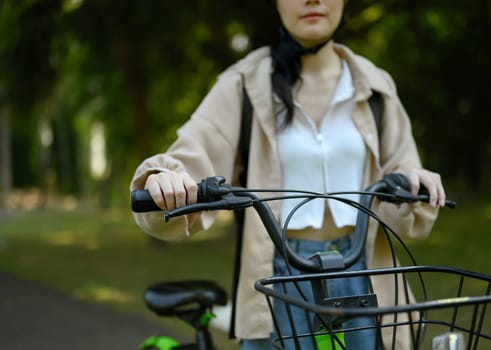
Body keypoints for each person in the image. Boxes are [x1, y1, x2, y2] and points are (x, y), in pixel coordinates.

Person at [131, 0, 447, 348]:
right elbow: (193, 153)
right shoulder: (244, 83)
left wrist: (417, 179)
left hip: (366, 268)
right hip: (281, 271)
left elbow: (403, 167)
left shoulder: (374, 85)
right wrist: (165, 176)